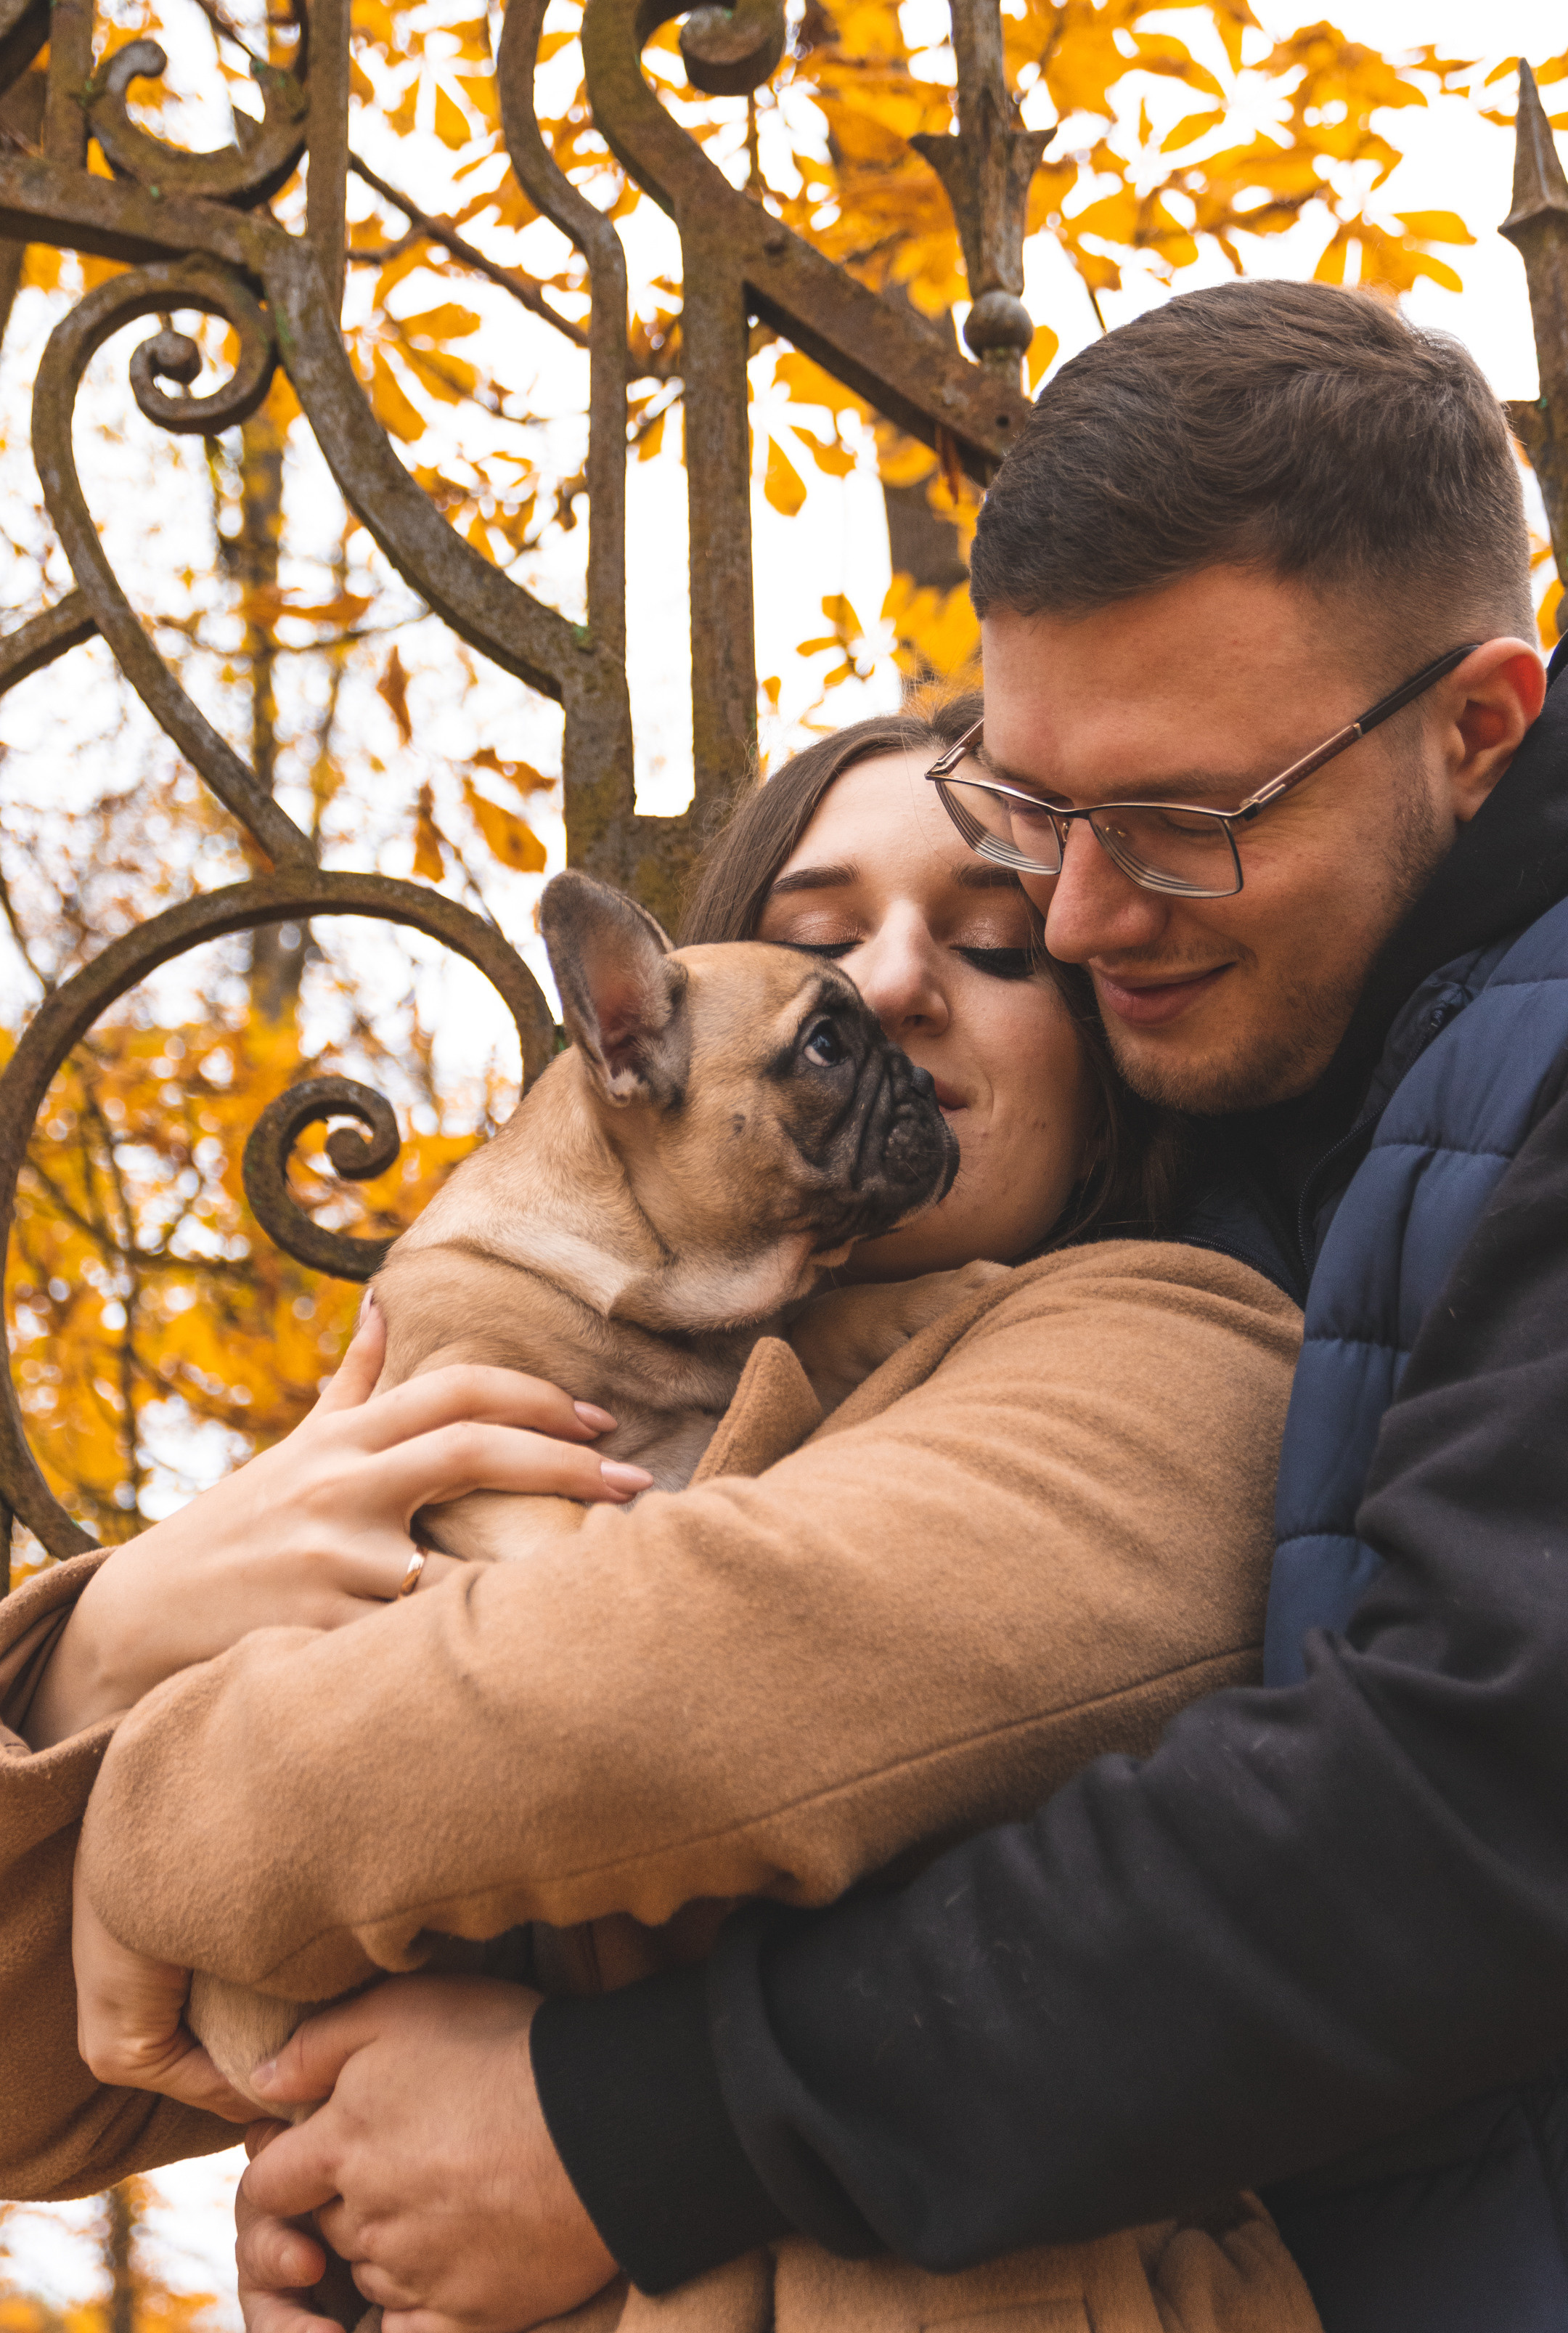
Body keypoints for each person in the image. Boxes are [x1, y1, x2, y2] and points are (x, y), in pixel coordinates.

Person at [219, 280, 1568, 2333]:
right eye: (1042, 815)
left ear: (1479, 728)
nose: (1097, 917)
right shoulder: (1292, 1105)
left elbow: (1466, 1808)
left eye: (1177, 827)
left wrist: (622, 2126)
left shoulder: (1202, 1285)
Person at [0, 712, 1318, 2333]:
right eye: (818, 962)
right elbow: (31, 2092)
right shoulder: (469, 1379)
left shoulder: (1175, 1346)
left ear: (1113, 1047)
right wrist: (108, 1645)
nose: (899, 989)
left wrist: (155, 1822)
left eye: (994, 942)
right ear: (642, 1046)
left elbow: (651, 1688)